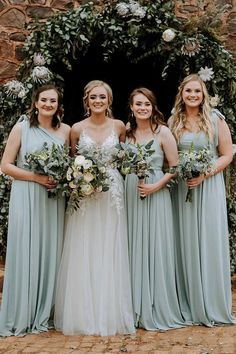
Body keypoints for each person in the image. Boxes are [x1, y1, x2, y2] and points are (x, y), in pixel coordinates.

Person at [54, 80, 135, 336]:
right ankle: (83, 314)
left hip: (112, 193)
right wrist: (80, 177)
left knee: (110, 245)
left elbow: (123, 158)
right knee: (84, 245)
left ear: (109, 100)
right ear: (86, 101)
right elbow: (72, 159)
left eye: (102, 97)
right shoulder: (76, 129)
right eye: (93, 97)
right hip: (85, 195)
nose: (98, 101)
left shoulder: (120, 126)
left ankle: (110, 311)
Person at [0, 84, 71, 336]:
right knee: (25, 249)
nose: (48, 104)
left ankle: (45, 311)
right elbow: (6, 166)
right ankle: (22, 311)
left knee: (51, 250)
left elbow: (70, 165)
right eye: (44, 100)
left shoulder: (65, 131)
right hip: (27, 195)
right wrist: (36, 177)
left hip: (53, 198)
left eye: (53, 101)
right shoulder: (22, 128)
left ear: (58, 105)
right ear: (36, 102)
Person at [168, 74, 236, 326]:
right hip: (183, 188)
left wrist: (204, 173)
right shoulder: (174, 119)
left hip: (209, 187)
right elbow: (169, 154)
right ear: (181, 93)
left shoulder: (216, 119)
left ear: (203, 94)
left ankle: (211, 303)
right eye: (188, 91)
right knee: (185, 242)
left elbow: (227, 154)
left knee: (208, 239)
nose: (193, 95)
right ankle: (189, 301)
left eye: (197, 91)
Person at [125, 87, 185, 330]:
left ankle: (156, 305)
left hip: (156, 193)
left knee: (155, 245)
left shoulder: (163, 133)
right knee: (132, 245)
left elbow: (175, 167)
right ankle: (133, 305)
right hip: (131, 192)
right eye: (138, 104)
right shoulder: (126, 135)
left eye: (147, 104)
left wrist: (155, 186)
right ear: (131, 107)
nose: (142, 108)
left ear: (153, 107)